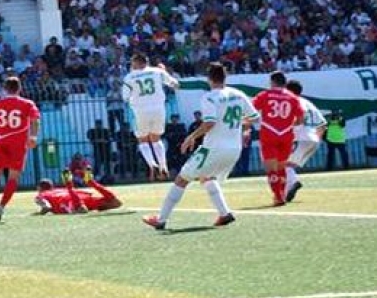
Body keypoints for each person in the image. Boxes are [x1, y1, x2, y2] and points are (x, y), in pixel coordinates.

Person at [143, 63, 255, 230]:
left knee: (182, 179)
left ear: (209, 79)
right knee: (207, 177)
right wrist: (243, 129)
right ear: (225, 77)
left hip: (213, 148)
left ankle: (161, 220)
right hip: (234, 149)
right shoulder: (239, 94)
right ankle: (224, 214)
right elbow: (253, 117)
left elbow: (210, 122)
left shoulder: (209, 97)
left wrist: (191, 137)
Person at [0, 76, 41, 222]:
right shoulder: (27, 104)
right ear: (19, 88)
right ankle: (1, 207)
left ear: (5, 89)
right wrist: (33, 136)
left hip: (1, 142)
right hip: (18, 144)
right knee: (13, 177)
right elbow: (35, 120)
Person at [122, 53, 180, 181]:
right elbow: (175, 84)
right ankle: (163, 165)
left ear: (135, 63)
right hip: (159, 109)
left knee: (142, 139)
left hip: (140, 110)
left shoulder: (129, 77)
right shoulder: (157, 71)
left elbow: (125, 97)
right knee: (156, 139)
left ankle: (152, 164)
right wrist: (165, 72)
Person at [252, 71, 304, 206]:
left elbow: (252, 110)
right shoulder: (292, 97)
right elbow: (300, 119)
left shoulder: (265, 95)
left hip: (269, 133)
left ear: (272, 82)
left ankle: (278, 196)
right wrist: (288, 124)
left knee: (271, 169)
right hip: (286, 135)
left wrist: (247, 123)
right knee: (281, 167)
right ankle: (282, 194)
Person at [284, 80, 327, 203]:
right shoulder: (308, 103)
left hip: (300, 138)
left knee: (283, 164)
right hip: (313, 139)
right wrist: (317, 139)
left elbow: (299, 119)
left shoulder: (293, 101)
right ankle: (288, 191)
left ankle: (294, 183)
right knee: (289, 166)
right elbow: (323, 124)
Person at [35, 167, 122, 215]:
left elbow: (47, 207)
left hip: (70, 201)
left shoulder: (41, 195)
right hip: (81, 197)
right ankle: (91, 183)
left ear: (39, 188)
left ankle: (69, 183)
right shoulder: (60, 189)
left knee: (82, 210)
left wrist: (39, 213)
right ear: (52, 187)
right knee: (116, 203)